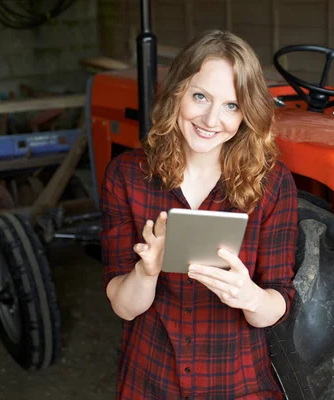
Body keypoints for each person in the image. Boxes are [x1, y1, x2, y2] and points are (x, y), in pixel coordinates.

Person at [100, 29, 298, 399]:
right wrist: (146, 272)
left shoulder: (272, 184)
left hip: (236, 385)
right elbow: (125, 309)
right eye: (200, 96)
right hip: (151, 380)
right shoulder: (127, 176)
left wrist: (249, 295)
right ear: (177, 92)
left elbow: (276, 304)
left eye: (231, 105)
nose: (211, 119)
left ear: (247, 113)